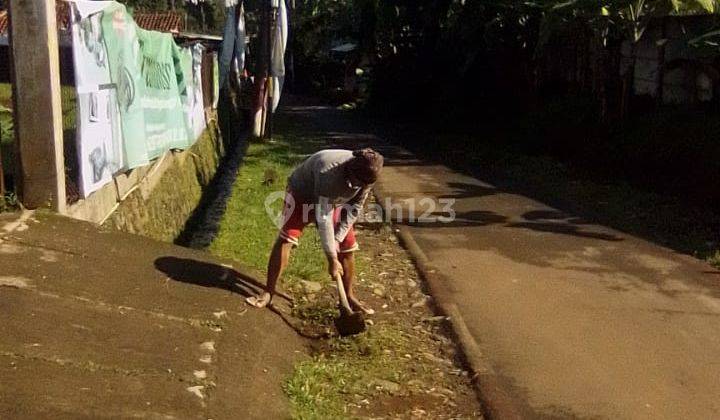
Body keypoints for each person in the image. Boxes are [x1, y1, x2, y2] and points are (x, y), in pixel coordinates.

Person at [246, 148, 384, 314]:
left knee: (348, 246)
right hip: (301, 194)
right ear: (350, 169)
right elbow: (323, 217)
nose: (359, 187)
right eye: (357, 183)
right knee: (288, 238)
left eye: (363, 185)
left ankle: (349, 296)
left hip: (332, 200)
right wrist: (332, 258)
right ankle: (269, 291)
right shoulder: (328, 171)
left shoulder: (369, 175)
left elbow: (355, 208)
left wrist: (338, 239)